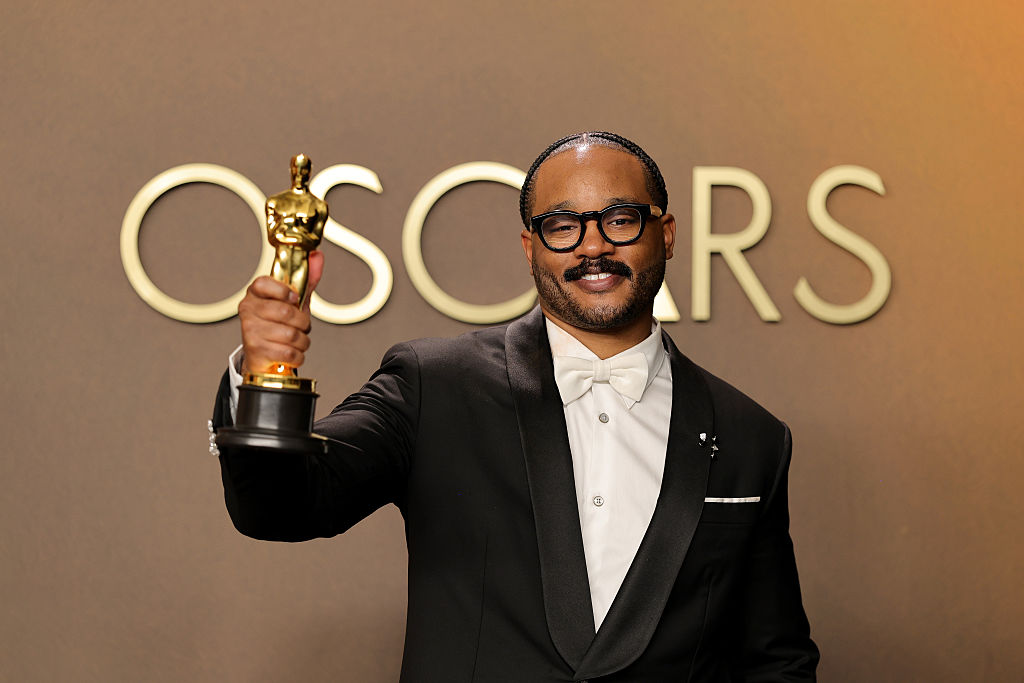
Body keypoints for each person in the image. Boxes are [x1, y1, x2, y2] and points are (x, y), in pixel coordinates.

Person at [211, 131, 820, 682]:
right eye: (563, 225)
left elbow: (775, 659)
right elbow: (279, 508)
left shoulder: (751, 436)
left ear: (666, 233)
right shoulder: (432, 386)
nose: (593, 248)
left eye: (620, 220)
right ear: (531, 247)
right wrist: (267, 375)